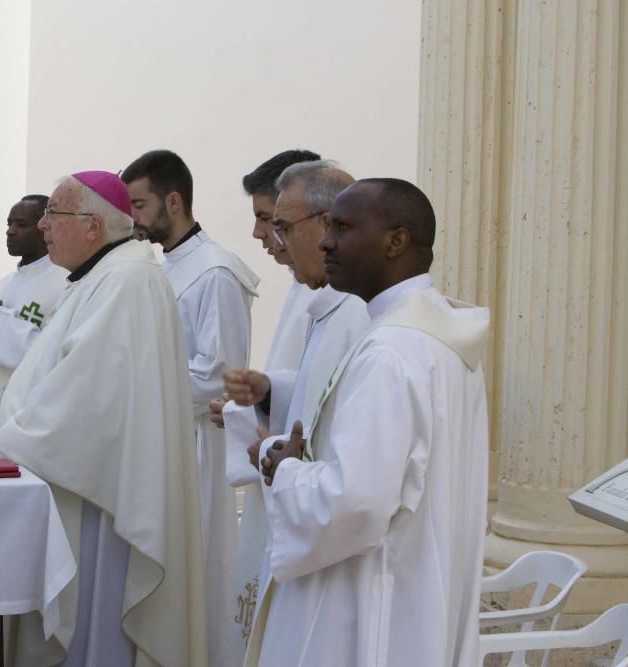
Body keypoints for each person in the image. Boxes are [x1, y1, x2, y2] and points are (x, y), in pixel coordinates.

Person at [0, 171, 208, 667]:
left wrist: (0, 444)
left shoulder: (126, 281)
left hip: (102, 497)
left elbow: (86, 400)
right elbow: (55, 378)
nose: (43, 226)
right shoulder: (103, 275)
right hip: (84, 482)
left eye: (53, 215)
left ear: (91, 226)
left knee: (96, 625)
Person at [242, 179, 490, 666]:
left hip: (369, 604)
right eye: (328, 226)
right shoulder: (434, 333)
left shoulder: (391, 352)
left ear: (395, 241)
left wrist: (284, 468)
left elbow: (354, 503)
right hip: (417, 589)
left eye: (343, 227)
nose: (327, 241)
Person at [220, 160, 369, 644]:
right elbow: (315, 387)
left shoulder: (358, 310)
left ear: (327, 224)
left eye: (280, 225)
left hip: (323, 523)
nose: (272, 239)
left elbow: (345, 441)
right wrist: (271, 393)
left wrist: (283, 460)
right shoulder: (318, 294)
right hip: (293, 490)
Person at [122, 149, 258, 667]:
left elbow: (219, 372)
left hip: (198, 443)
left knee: (196, 569)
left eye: (139, 204)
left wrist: (137, 384)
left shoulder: (216, 273)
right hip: (164, 437)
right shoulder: (167, 266)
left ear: (173, 201)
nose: (131, 216)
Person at [0, 195, 69, 427]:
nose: (11, 231)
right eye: (9, 224)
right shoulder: (4, 284)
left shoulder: (64, 282)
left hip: (25, 416)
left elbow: (53, 355)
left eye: (22, 224)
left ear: (45, 228)